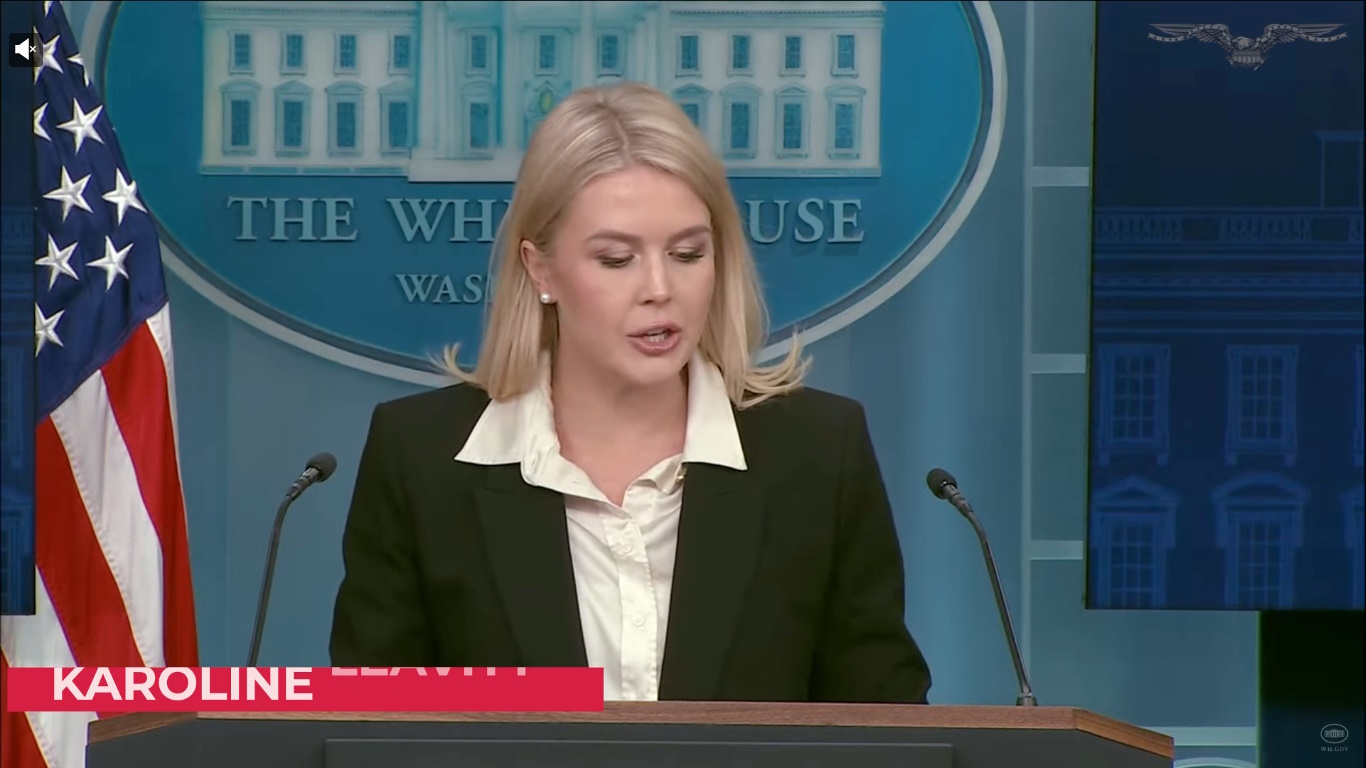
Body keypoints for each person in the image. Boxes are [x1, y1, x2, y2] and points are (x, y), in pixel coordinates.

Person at [329, 82, 932, 704]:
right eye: (617, 259)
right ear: (540, 268)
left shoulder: (819, 452)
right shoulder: (420, 460)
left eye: (687, 254)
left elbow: (887, 721)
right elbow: (372, 721)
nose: (659, 288)